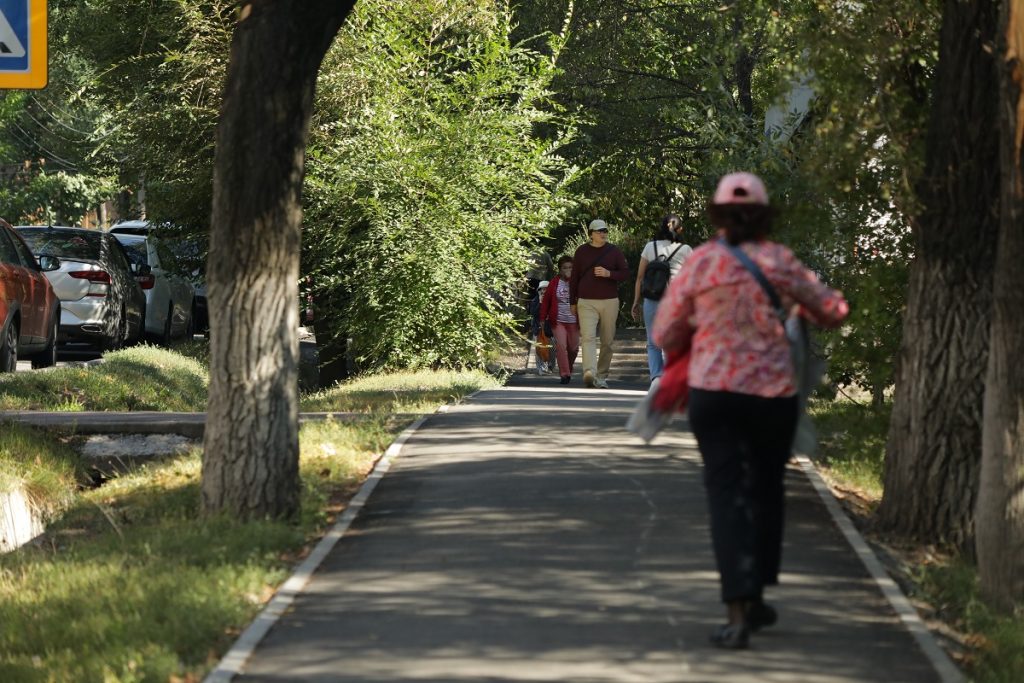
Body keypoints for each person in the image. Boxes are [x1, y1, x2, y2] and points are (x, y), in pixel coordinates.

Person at [652, 172, 849, 649]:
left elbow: (664, 334)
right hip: (771, 398)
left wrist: (702, 328)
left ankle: (737, 610)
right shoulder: (780, 261)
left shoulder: (701, 264)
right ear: (765, 215)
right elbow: (834, 311)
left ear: (717, 215)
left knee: (725, 493)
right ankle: (757, 594)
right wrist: (800, 310)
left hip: (714, 394)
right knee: (764, 491)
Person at [631, 214, 692, 382]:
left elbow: (640, 277)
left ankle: (656, 377)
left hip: (652, 299)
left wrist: (636, 301)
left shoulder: (650, 247)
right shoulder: (685, 250)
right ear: (680, 229)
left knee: (653, 342)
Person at [570, 219, 629, 388]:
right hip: (586, 301)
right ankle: (590, 372)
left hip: (610, 301)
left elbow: (625, 274)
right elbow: (574, 278)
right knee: (588, 337)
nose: (603, 233)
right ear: (591, 234)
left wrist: (609, 273)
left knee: (607, 341)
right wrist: (571, 302)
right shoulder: (581, 251)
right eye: (599, 231)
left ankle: (601, 376)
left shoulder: (614, 251)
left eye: (605, 230)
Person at [540, 255, 579, 384]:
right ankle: (564, 374)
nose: (568, 270)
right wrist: (542, 318)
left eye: (570, 267)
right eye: (565, 268)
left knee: (573, 348)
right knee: (561, 346)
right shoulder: (554, 283)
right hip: (558, 321)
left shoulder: (577, 281)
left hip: (574, 321)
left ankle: (569, 368)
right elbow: (546, 302)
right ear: (560, 270)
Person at [528, 280, 552, 374]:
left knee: (551, 348)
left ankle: (549, 366)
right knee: (539, 348)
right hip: (538, 327)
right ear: (539, 290)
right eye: (542, 289)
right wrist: (541, 302)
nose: (544, 291)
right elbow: (533, 313)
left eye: (546, 289)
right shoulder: (535, 301)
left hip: (550, 327)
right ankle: (540, 367)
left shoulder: (553, 300)